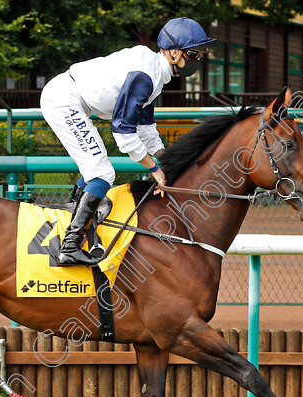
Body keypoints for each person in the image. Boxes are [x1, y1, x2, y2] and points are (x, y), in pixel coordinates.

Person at [40, 17, 214, 266]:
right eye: (195, 54)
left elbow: (146, 129)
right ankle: (70, 245)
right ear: (175, 53)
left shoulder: (154, 73)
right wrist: (154, 169)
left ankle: (76, 226)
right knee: (101, 173)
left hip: (72, 100)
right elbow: (123, 134)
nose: (199, 60)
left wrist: (166, 161)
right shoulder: (146, 76)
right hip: (64, 100)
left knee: (96, 170)